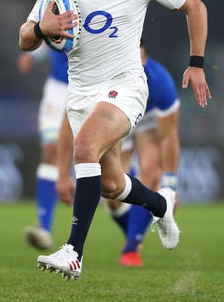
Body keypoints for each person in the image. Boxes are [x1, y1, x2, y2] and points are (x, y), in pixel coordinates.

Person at [19, 0, 210, 280]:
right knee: (109, 184)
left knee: (84, 147)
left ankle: (73, 251)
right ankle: (160, 204)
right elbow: (24, 38)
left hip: (125, 86)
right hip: (81, 92)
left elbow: (196, 7)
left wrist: (197, 63)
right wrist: (43, 28)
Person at [55, 40, 181, 268]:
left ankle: (132, 248)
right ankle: (154, 212)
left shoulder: (160, 82)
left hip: (148, 123)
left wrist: (171, 181)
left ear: (145, 58)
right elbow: (66, 128)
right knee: (110, 188)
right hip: (115, 109)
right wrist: (62, 173)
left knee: (151, 172)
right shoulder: (97, 73)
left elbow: (168, 137)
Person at [19, 0, 79, 250]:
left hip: (92, 84)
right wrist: (35, 53)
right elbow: (45, 28)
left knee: (107, 164)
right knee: (50, 151)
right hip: (59, 87)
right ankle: (44, 227)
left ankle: (130, 224)